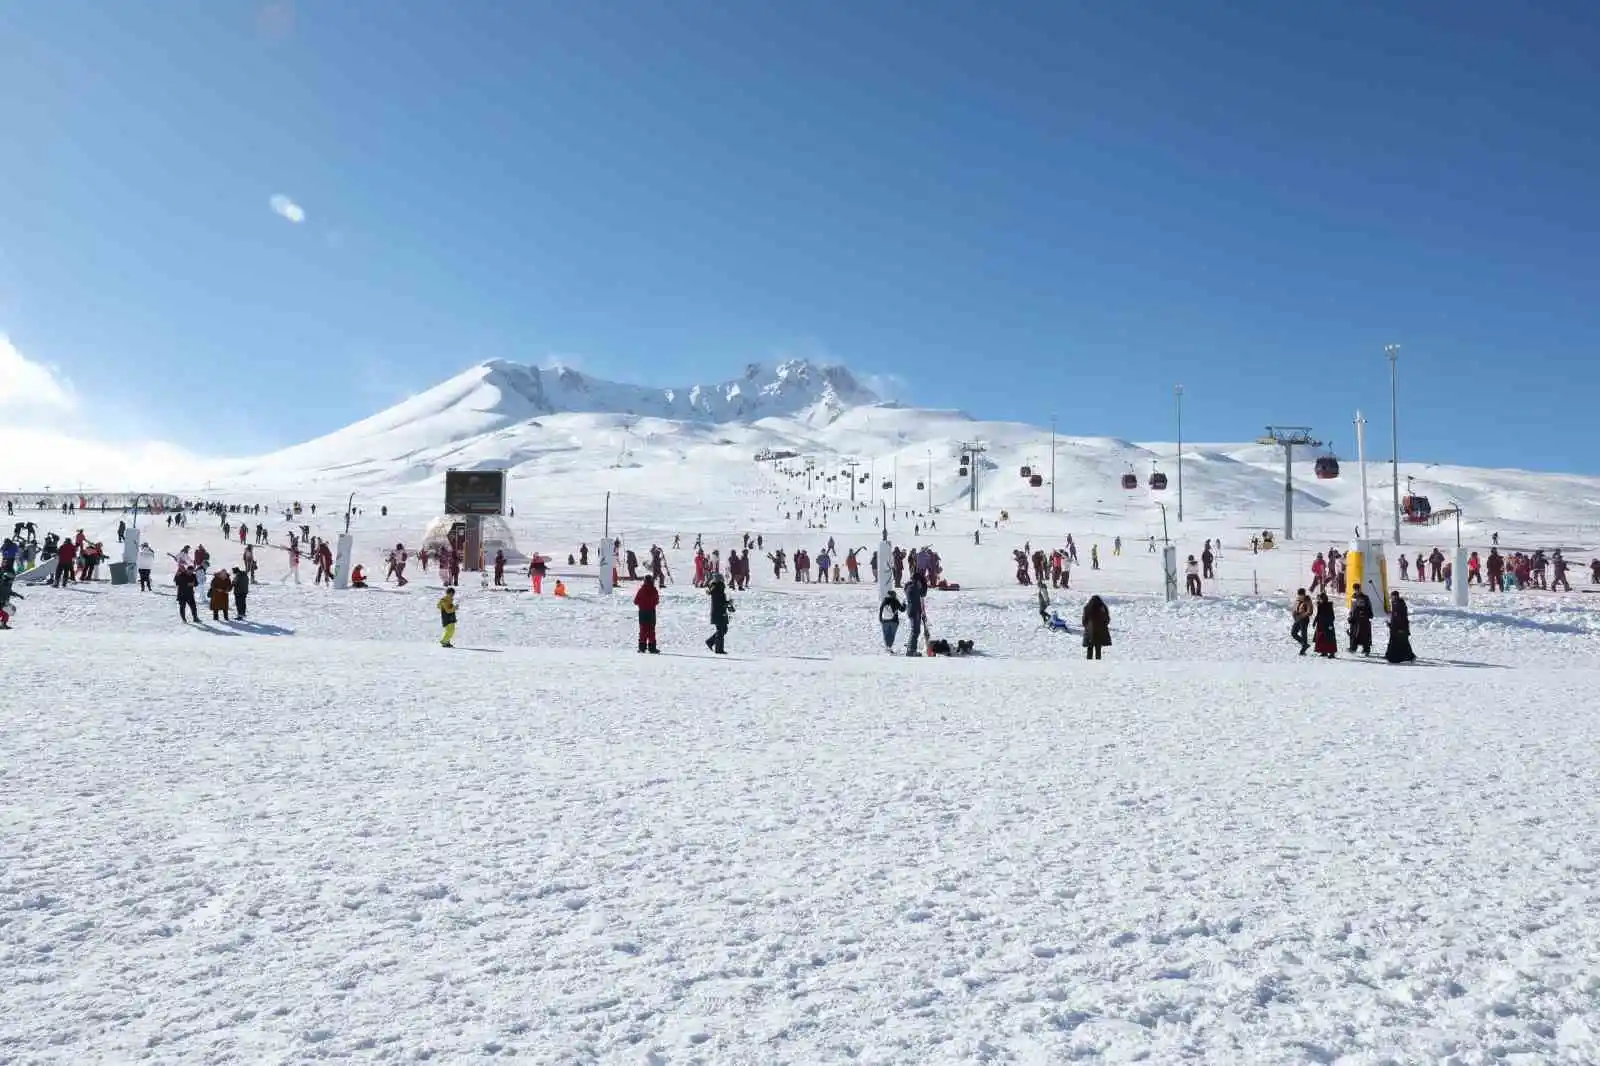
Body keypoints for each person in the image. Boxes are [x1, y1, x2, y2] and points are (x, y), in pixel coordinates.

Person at [1385, 590, 1416, 663]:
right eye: (1391, 596)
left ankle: (1410, 657)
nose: (1391, 598)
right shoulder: (1394, 603)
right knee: (1393, 641)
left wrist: (1400, 628)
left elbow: (1401, 618)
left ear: (1396, 596)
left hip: (1401, 627)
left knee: (1403, 642)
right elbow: (1395, 616)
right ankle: (1389, 655)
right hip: (1395, 627)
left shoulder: (1400, 604)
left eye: (1393, 596)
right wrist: (1390, 624)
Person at [705, 572, 732, 655]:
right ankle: (718, 648)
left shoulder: (716, 588)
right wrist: (727, 603)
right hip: (719, 612)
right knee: (721, 630)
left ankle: (711, 642)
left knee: (722, 629)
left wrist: (727, 603)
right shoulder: (718, 588)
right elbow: (719, 602)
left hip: (718, 612)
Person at [633, 574, 660, 654]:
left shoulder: (641, 590)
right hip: (651, 612)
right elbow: (657, 601)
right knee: (651, 630)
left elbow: (635, 601)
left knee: (643, 630)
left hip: (642, 612)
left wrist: (641, 604)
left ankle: (642, 647)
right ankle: (652, 648)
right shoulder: (654, 590)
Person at [903, 570, 927, 656]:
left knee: (915, 630)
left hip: (914, 610)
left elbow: (922, 594)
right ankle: (911, 650)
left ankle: (911, 648)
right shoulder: (913, 588)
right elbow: (920, 596)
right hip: (914, 611)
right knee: (915, 631)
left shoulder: (911, 587)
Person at [1081, 595, 1111, 660]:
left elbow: (1084, 620)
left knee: (1089, 647)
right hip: (1100, 631)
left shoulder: (1087, 608)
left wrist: (1087, 627)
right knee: (1098, 648)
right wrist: (1103, 625)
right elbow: (1107, 619)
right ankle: (1098, 661)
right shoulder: (1103, 608)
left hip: (1090, 631)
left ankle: (1089, 661)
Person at [1348, 587, 1374, 656]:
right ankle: (1353, 648)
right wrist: (1351, 615)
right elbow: (1352, 607)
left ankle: (1366, 649)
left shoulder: (1365, 597)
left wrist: (1370, 614)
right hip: (1355, 617)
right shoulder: (1353, 597)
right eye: (1355, 589)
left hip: (1363, 618)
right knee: (1354, 633)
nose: (1357, 591)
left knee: (1364, 634)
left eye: (1358, 589)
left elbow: (1369, 606)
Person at [1311, 592, 1338, 658]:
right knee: (1321, 638)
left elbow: (1332, 616)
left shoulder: (1328, 605)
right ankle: (1324, 651)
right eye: (1319, 599)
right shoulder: (1320, 605)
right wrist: (1315, 621)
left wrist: (1330, 624)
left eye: (1321, 598)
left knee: (1329, 639)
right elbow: (1318, 614)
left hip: (1328, 624)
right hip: (1320, 624)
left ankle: (1332, 653)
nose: (1320, 600)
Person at [1290, 588, 1313, 655]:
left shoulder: (1307, 600)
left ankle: (1303, 649)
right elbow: (1295, 608)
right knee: (1293, 633)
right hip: (1297, 619)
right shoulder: (1298, 600)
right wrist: (1294, 614)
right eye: (1299, 594)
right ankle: (1304, 644)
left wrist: (1303, 615)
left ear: (1304, 594)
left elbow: (1310, 611)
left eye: (1301, 594)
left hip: (1304, 619)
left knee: (1303, 634)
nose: (1300, 596)